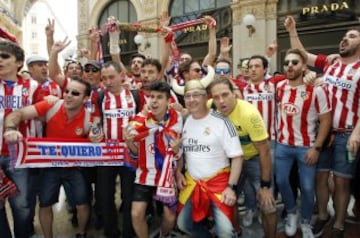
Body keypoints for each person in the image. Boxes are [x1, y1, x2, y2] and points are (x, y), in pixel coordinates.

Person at [285, 15, 360, 238]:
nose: (345, 39)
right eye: (344, 36)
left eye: (352, 36)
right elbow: (303, 55)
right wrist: (292, 31)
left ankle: (338, 224)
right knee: (320, 177)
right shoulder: (331, 63)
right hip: (322, 132)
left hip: (347, 134)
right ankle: (323, 216)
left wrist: (357, 132)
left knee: (341, 181)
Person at [4, 76, 93, 238]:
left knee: (82, 203)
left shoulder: (89, 117)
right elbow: (18, 114)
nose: (68, 95)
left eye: (75, 93)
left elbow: (98, 135)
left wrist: (97, 135)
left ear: (85, 99)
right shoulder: (52, 104)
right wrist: (10, 128)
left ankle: (82, 233)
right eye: (66, 91)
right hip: (50, 168)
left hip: (75, 169)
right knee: (44, 204)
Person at [208, 77, 277, 238]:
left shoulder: (249, 114)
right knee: (228, 198)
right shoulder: (211, 107)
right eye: (216, 97)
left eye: (225, 95)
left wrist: (265, 186)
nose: (221, 101)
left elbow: (265, 151)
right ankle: (236, 232)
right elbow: (193, 108)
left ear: (235, 94)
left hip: (255, 158)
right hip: (231, 160)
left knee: (268, 204)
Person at [275, 48, 332, 238]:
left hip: (306, 147)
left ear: (304, 66)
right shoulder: (280, 86)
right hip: (282, 146)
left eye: (295, 62)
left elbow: (325, 120)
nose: (289, 65)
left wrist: (317, 148)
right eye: (286, 62)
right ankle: (292, 212)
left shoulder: (316, 90)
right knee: (282, 181)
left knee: (308, 187)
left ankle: (306, 221)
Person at [175, 79, 243, 237]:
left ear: (206, 97)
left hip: (219, 185)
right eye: (188, 96)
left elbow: (238, 157)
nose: (191, 100)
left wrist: (231, 188)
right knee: (183, 224)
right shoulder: (185, 122)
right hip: (193, 184)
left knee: (226, 232)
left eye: (196, 95)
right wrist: (178, 172)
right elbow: (182, 153)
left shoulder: (222, 122)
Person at [124, 81, 183, 238]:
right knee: (136, 214)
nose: (154, 101)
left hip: (167, 175)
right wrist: (129, 142)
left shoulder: (177, 119)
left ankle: (164, 235)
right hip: (144, 174)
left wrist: (177, 151)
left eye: (159, 97)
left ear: (168, 101)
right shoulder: (138, 122)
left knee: (170, 217)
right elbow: (135, 152)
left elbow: (177, 154)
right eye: (151, 97)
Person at [0, 40, 39, 238]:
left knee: (22, 206)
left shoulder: (32, 87)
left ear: (19, 62)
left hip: (20, 157)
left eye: (5, 56)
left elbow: (44, 113)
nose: (0, 60)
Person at [95, 61, 138, 238]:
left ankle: (129, 232)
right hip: (107, 154)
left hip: (130, 153)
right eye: (104, 78)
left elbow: (144, 118)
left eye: (111, 77)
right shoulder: (99, 97)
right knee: (105, 197)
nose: (108, 81)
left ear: (121, 75)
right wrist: (95, 132)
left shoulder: (135, 95)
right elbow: (96, 120)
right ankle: (110, 232)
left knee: (129, 197)